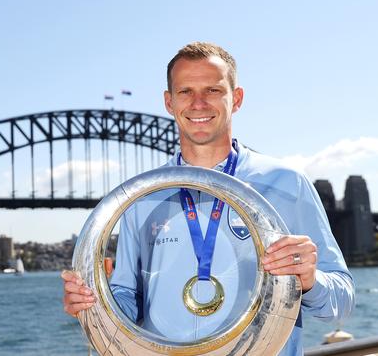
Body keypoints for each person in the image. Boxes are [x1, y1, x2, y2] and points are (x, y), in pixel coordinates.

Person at [62, 42, 355, 355]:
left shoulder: (287, 184)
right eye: (185, 91)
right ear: (169, 102)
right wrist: (92, 301)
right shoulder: (140, 196)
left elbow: (342, 303)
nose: (198, 103)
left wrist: (310, 279)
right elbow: (126, 297)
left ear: (236, 98)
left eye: (213, 90)